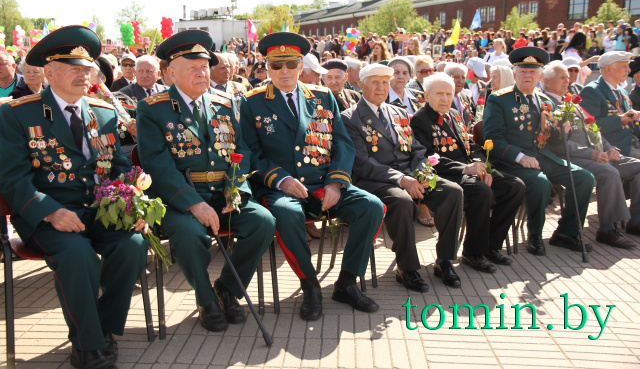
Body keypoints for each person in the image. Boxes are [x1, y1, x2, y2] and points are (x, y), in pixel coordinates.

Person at [0, 25, 148, 369]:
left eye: (86, 68)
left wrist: (134, 201)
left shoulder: (104, 112)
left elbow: (118, 168)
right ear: (49, 73)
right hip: (47, 216)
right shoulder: (17, 113)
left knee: (133, 245)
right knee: (79, 255)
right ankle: (87, 345)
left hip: (99, 211)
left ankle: (102, 328)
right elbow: (12, 178)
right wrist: (51, 212)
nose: (83, 75)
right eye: (73, 68)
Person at [136, 30, 276, 333]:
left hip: (223, 193)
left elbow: (240, 151)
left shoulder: (223, 102)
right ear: (171, 73)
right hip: (179, 198)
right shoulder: (153, 108)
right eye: (192, 68)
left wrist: (234, 189)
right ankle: (205, 298)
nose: (202, 73)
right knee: (190, 235)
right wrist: (193, 204)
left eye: (204, 67)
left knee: (262, 222)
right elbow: (157, 165)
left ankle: (227, 288)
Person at [240, 32, 384, 321]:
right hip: (281, 186)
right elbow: (250, 152)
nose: (284, 71)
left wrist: (336, 182)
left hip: (323, 182)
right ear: (267, 68)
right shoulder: (251, 102)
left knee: (372, 207)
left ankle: (346, 283)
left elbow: (342, 143)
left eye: (291, 64)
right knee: (286, 214)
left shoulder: (322, 96)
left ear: (301, 66)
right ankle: (310, 285)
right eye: (276, 65)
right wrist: (281, 179)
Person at [342, 64, 464, 290]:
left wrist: (422, 173)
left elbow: (417, 149)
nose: (381, 88)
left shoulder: (398, 112)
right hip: (377, 180)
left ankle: (445, 260)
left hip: (411, 175)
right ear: (361, 85)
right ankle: (407, 267)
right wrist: (401, 179)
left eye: (384, 83)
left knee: (452, 192)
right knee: (402, 201)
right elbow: (362, 163)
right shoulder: (350, 118)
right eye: (375, 83)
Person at [483, 47, 595, 256]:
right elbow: (493, 139)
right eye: (523, 71)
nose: (528, 76)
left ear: (540, 76)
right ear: (515, 74)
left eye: (533, 72)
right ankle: (535, 234)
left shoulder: (545, 101)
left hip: (543, 157)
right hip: (511, 161)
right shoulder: (500, 99)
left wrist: (562, 131)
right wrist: (520, 157)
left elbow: (553, 141)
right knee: (541, 183)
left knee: (584, 178)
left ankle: (567, 233)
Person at [412, 73, 526, 267]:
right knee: (481, 192)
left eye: (449, 94)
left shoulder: (453, 114)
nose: (445, 98)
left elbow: (470, 146)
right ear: (427, 95)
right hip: (447, 175)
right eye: (439, 94)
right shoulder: (420, 120)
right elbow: (428, 158)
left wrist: (483, 167)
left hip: (471, 169)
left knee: (514, 186)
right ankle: (473, 253)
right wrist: (465, 168)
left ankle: (491, 246)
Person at [542, 62, 640, 245]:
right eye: (562, 77)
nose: (568, 80)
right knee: (609, 173)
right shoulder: (546, 105)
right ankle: (607, 229)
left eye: (568, 77)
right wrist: (591, 154)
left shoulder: (571, 102)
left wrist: (610, 148)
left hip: (597, 153)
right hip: (572, 157)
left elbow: (593, 129)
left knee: (638, 167)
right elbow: (557, 144)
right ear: (547, 82)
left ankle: (636, 221)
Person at [580, 51, 640, 159]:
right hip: (616, 148)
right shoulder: (592, 90)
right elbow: (589, 127)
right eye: (624, 66)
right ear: (608, 69)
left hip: (634, 143)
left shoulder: (622, 92)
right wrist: (621, 118)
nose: (629, 70)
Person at [445, 63, 476, 128]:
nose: (460, 81)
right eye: (456, 77)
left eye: (463, 77)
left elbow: (471, 120)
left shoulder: (465, 97)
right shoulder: (442, 98)